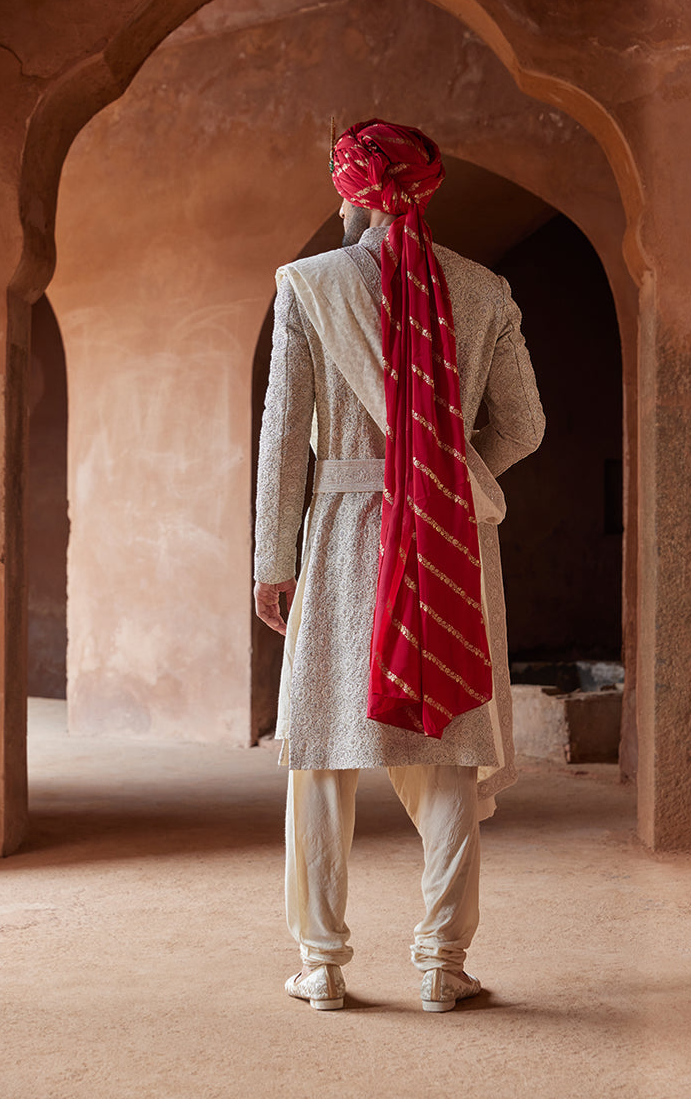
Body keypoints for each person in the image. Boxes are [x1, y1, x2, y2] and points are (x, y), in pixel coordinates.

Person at [254, 119, 544, 1013]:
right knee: (450, 743)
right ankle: (442, 966)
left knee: (320, 752)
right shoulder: (485, 288)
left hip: (340, 532)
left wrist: (274, 557)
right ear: (429, 189)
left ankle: (323, 965)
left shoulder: (308, 286)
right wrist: (448, 473)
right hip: (446, 533)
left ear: (352, 191)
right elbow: (525, 426)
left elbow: (282, 443)